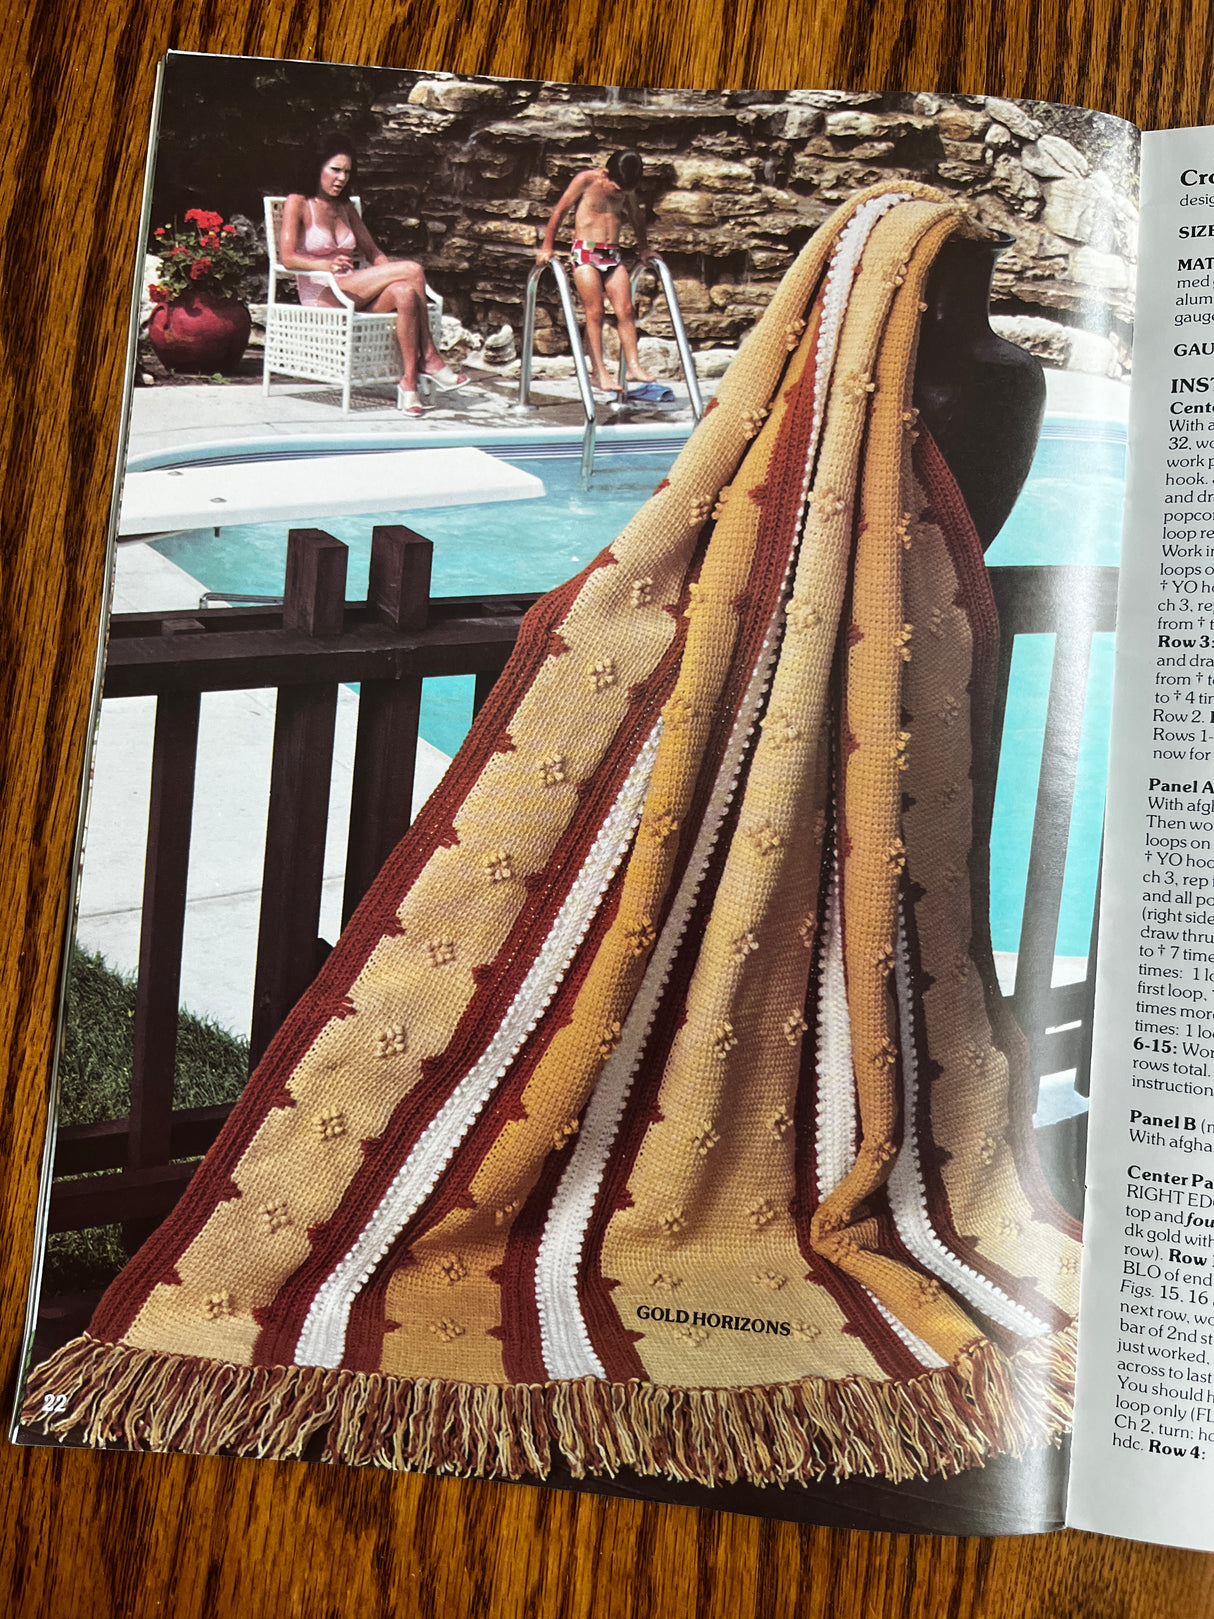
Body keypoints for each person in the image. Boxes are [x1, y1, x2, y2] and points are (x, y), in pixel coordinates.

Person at [279, 136, 467, 415]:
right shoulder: (299, 202)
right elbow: (287, 257)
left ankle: (408, 384)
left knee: (405, 291)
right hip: (323, 294)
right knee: (413, 269)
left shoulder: (345, 208)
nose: (341, 178)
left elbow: (372, 252)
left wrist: (390, 277)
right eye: (335, 170)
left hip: (353, 290)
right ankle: (429, 356)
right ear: (317, 168)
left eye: (347, 172)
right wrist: (324, 265)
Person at [537, 150, 656, 394]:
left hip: (612, 255)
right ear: (604, 174)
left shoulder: (626, 188)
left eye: (624, 192)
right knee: (595, 312)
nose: (620, 195)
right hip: (586, 253)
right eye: (617, 189)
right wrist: (547, 246)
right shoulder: (586, 181)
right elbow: (559, 212)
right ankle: (598, 373)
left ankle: (633, 365)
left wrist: (644, 248)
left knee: (626, 310)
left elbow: (636, 217)